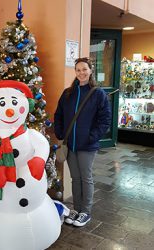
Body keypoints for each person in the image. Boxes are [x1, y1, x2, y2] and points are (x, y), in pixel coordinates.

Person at [54, 57, 111, 227]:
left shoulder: (98, 93)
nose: (81, 73)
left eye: (84, 69)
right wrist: (60, 133)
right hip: (70, 143)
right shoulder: (68, 93)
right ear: (75, 72)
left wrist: (92, 137)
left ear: (90, 70)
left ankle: (86, 211)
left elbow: (105, 119)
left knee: (86, 178)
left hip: (87, 145)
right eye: (78, 70)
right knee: (75, 177)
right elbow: (59, 115)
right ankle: (77, 210)